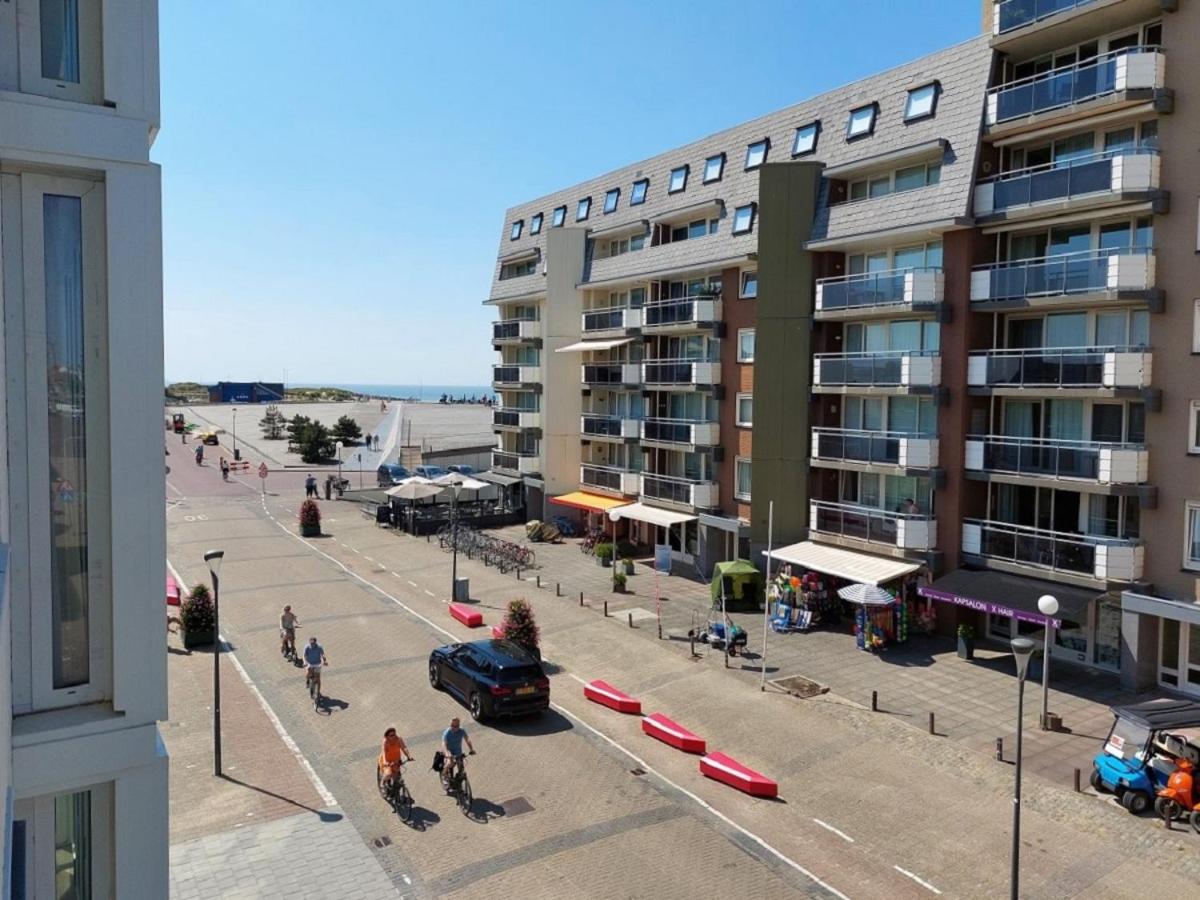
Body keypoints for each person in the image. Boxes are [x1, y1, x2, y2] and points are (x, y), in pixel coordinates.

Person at [440, 717, 475, 789]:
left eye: (456, 726)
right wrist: (447, 753)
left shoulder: (461, 731)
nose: (454, 728)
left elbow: (467, 739)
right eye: (452, 726)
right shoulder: (447, 733)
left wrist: (471, 749)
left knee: (461, 768)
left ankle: (458, 783)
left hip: (458, 752)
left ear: (459, 725)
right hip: (448, 751)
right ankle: (444, 775)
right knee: (450, 763)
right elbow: (444, 744)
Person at [378, 727, 413, 793]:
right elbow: (384, 752)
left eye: (394, 734)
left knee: (396, 778)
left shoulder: (398, 739)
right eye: (391, 735)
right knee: (388, 774)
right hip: (387, 761)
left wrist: (409, 756)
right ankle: (382, 782)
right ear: (387, 736)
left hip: (395, 761)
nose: (394, 736)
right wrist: (385, 762)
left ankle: (394, 792)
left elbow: (404, 748)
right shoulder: (385, 741)